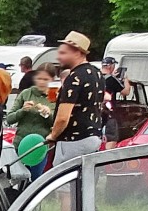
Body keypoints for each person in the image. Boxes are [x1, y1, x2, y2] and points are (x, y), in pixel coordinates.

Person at [44, 30, 108, 165]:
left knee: (63, 182)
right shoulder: (97, 74)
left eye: (63, 53)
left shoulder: (74, 77)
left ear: (78, 52)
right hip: (93, 137)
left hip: (73, 140)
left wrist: (53, 135)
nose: (58, 57)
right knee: (85, 180)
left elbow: (62, 118)